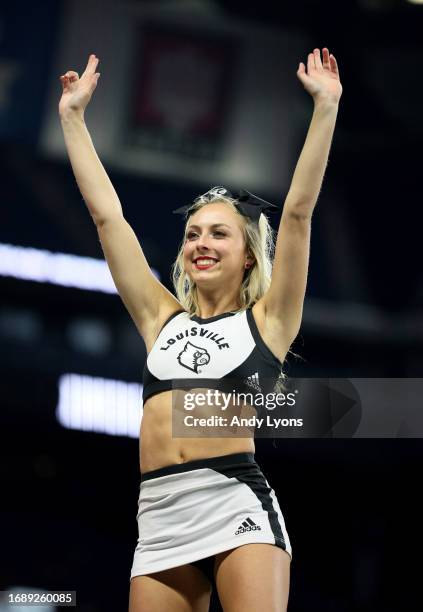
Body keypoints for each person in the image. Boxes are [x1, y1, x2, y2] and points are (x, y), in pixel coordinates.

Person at [59, 47, 342, 612]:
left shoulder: (269, 322)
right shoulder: (159, 318)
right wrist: (72, 118)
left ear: (246, 257)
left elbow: (298, 213)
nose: (201, 244)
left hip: (232, 497)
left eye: (218, 234)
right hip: (158, 513)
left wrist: (326, 108)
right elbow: (108, 217)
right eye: (192, 235)